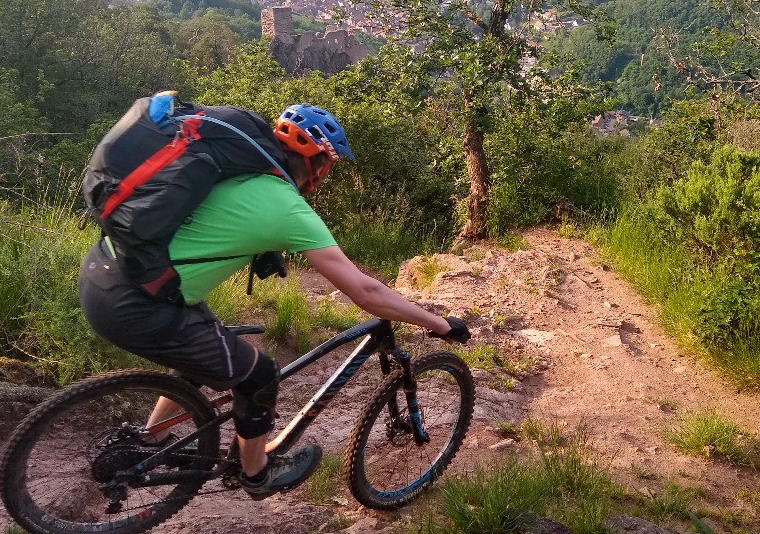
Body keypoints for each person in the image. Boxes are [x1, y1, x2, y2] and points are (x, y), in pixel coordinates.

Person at [78, 103, 469, 500]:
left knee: (207, 347)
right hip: (136, 305)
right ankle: (255, 474)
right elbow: (366, 291)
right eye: (327, 165)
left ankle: (152, 437)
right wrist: (438, 324)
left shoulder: (234, 168)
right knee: (260, 375)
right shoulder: (285, 206)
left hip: (108, 271)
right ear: (316, 163)